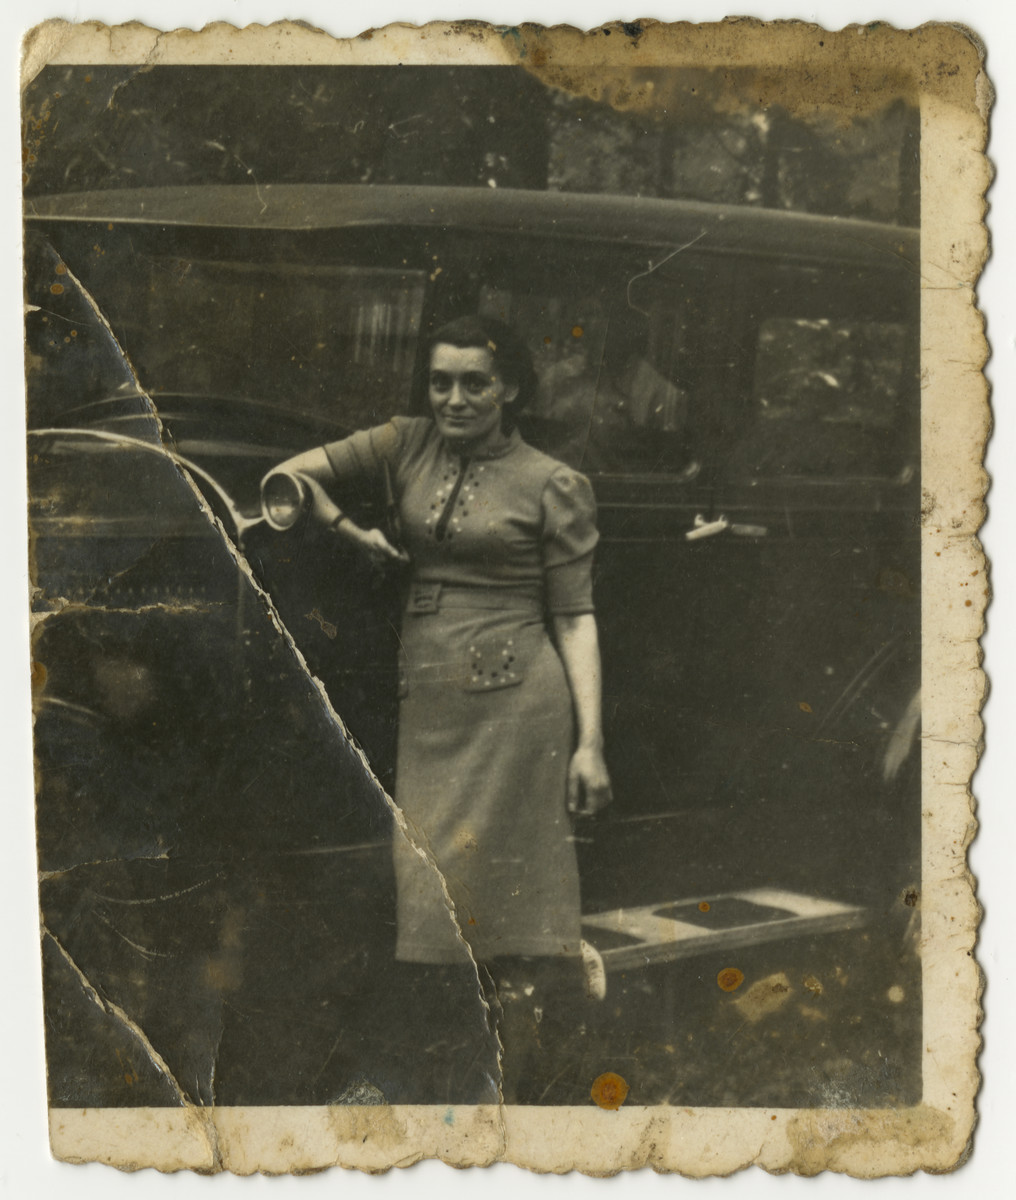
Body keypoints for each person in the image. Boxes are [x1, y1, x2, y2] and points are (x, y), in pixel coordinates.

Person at [263, 315, 612, 1101]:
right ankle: (447, 1076)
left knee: (492, 895)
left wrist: (590, 742)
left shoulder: (553, 482)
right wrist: (350, 530)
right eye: (441, 381)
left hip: (520, 706)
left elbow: (575, 617)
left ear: (510, 388)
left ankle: (503, 1076)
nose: (454, 399)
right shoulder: (405, 442)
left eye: (475, 383)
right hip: (432, 698)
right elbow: (288, 480)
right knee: (427, 892)